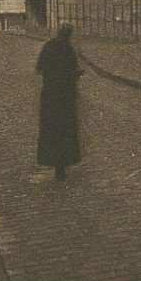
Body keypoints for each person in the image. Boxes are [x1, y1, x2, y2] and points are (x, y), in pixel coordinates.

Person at [36, 24, 83, 182]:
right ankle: (61, 166)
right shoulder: (68, 49)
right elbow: (73, 72)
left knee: (51, 129)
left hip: (49, 96)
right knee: (65, 130)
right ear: (69, 35)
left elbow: (38, 68)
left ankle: (55, 163)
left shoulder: (48, 46)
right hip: (65, 98)